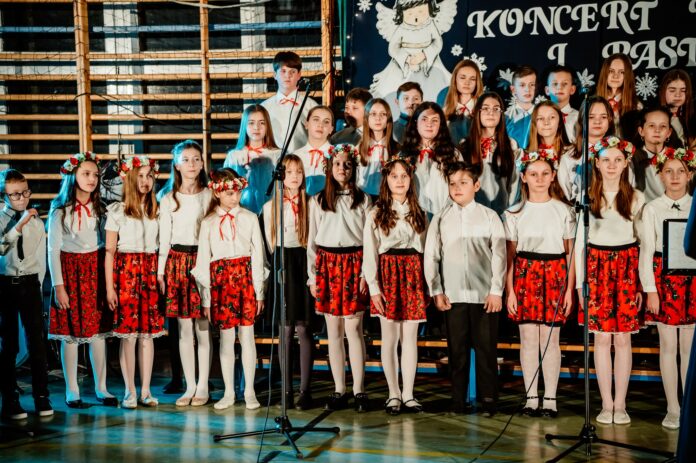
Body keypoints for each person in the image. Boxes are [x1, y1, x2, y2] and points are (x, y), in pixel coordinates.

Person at [424, 161, 506, 416]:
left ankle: (489, 400)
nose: (457, 188)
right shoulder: (441, 218)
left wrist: (496, 290)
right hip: (453, 295)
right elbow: (431, 256)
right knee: (457, 351)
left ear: (476, 185)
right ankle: (458, 400)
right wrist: (436, 289)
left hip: (484, 296)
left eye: (463, 182)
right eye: (452, 183)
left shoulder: (489, 216)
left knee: (486, 350)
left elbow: (499, 255)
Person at [575, 136, 644, 425]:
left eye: (617, 160)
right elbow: (580, 244)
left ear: (626, 163)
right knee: (601, 338)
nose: (612, 165)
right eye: (606, 160)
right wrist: (579, 285)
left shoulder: (637, 198)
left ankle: (621, 403)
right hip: (597, 269)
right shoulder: (588, 197)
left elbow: (643, 243)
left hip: (626, 268)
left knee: (623, 338)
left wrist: (641, 284)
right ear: (597, 164)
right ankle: (606, 403)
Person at [504, 149, 575, 417]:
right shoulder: (513, 212)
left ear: (553, 176)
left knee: (550, 339)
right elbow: (510, 256)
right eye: (533, 174)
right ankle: (531, 397)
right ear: (523, 177)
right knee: (528, 339)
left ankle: (551, 398)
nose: (540, 178)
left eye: (545, 173)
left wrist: (569, 290)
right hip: (525, 273)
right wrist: (510, 291)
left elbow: (570, 254)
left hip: (555, 274)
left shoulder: (563, 210)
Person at [193, 168, 266, 410]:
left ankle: (249, 391)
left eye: (237, 192)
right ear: (217, 193)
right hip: (221, 284)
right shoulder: (208, 222)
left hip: (245, 280)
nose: (235, 198)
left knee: (247, 337)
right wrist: (206, 299)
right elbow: (203, 261)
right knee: (226, 338)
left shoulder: (250, 218)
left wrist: (259, 291)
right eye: (229, 193)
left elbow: (258, 257)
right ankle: (228, 392)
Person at [48, 152, 116, 408]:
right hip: (71, 273)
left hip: (94, 271)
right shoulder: (60, 211)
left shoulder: (101, 209)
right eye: (86, 174)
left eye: (95, 175)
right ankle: (72, 390)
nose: (92, 179)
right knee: (71, 334)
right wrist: (59, 286)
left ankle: (101, 387)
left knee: (98, 333)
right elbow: (53, 251)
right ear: (73, 176)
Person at [363, 158, 430, 415]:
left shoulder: (420, 212)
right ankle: (394, 393)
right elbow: (370, 252)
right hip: (388, 273)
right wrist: (374, 288)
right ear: (386, 181)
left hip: (412, 273)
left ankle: (409, 394)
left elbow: (427, 252)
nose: (399, 180)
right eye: (394, 176)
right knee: (389, 338)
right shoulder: (376, 213)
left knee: (410, 337)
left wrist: (428, 284)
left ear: (411, 179)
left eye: (404, 175)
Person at [307, 143, 371, 412]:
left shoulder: (364, 200)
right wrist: (312, 277)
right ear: (329, 168)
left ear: (354, 168)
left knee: (354, 330)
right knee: (333, 331)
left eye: (347, 164)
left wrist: (366, 273)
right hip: (328, 264)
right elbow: (312, 241)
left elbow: (369, 240)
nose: (342, 168)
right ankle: (339, 389)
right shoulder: (318, 200)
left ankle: (359, 390)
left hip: (354, 263)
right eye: (337, 164)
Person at [639, 147, 696, 429]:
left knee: (689, 348)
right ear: (660, 175)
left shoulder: (695, 205)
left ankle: (688, 406)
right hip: (664, 280)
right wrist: (650, 289)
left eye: (680, 171)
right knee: (668, 345)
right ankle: (673, 407)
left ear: (689, 175)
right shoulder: (652, 208)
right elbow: (647, 251)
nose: (675, 177)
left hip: (692, 280)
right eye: (668, 171)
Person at [105, 156, 165, 409]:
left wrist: (160, 274)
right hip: (126, 273)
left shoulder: (157, 210)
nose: (145, 181)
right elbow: (109, 252)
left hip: (149, 271)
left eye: (149, 176)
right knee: (128, 336)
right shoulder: (117, 211)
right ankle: (129, 390)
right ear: (129, 178)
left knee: (147, 335)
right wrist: (110, 287)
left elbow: (162, 245)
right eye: (140, 176)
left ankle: (146, 390)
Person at [158, 140, 212, 407]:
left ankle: (203, 385)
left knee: (203, 326)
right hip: (177, 263)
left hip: (203, 260)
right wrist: (160, 272)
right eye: (186, 160)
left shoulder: (210, 195)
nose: (192, 164)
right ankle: (189, 384)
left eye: (196, 159)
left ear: (202, 163)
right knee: (184, 328)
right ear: (177, 166)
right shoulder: (168, 199)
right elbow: (164, 238)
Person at [262, 154, 315, 410]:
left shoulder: (311, 204)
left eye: (299, 172)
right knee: (285, 329)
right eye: (289, 172)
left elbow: (313, 240)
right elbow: (270, 243)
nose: (294, 176)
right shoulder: (270, 207)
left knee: (303, 329)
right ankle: (286, 389)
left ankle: (305, 390)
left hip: (303, 262)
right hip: (282, 262)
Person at [0, 169, 52, 419]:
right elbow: (1, 248)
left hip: (30, 284)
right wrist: (19, 225)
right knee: (9, 344)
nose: (21, 198)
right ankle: (10, 400)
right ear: (4, 196)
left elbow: (40, 260)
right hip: (5, 284)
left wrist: (38, 288)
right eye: (14, 195)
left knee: (37, 342)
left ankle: (41, 396)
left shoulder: (38, 223)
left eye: (25, 192)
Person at [459, 92, 520, 215]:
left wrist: (508, 212)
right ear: (478, 112)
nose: (491, 113)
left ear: (501, 114)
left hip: (501, 212)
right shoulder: (465, 144)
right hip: (472, 213)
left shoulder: (510, 144)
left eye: (496, 109)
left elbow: (514, 182)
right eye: (486, 108)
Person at [400, 102, 458, 214]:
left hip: (446, 215)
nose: (429, 124)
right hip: (413, 216)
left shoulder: (453, 154)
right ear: (416, 122)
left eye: (434, 120)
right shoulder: (404, 155)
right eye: (424, 119)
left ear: (440, 125)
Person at [223, 104, 281, 215]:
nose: (256, 127)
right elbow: (225, 190)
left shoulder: (277, 155)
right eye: (251, 123)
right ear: (244, 125)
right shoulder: (234, 156)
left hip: (272, 213)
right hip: (240, 214)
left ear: (267, 126)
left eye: (262, 123)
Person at [558, 96, 615, 205]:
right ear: (582, 120)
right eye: (591, 117)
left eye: (603, 117)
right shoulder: (569, 157)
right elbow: (565, 196)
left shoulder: (620, 153)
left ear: (610, 120)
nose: (597, 121)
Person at [261, 51, 318, 152]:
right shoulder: (264, 107)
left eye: (292, 71)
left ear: (299, 75)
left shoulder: (311, 106)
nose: (288, 76)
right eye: (283, 71)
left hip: (303, 159)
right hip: (274, 159)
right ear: (275, 74)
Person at [357, 98, 399, 197]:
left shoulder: (397, 149)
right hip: (363, 197)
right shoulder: (358, 148)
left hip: (389, 197)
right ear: (366, 118)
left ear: (388, 118)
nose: (378, 118)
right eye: (373, 114)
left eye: (383, 114)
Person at [633, 107, 675, 202]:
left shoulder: (678, 158)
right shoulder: (632, 158)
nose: (657, 130)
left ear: (669, 133)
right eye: (651, 126)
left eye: (663, 126)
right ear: (641, 131)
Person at [596, 53, 642, 139]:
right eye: (611, 71)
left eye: (622, 72)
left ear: (627, 76)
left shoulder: (636, 106)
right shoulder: (592, 104)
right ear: (605, 73)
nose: (615, 76)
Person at [441, 59, 484, 144]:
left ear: (477, 83)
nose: (467, 82)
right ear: (455, 80)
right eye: (462, 78)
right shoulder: (444, 112)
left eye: (472, 79)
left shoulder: (483, 109)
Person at [296, 105, 334, 196]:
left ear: (331, 129)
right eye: (316, 119)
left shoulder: (337, 155)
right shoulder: (296, 156)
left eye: (326, 122)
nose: (320, 125)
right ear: (306, 124)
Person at [658, 69, 693, 148]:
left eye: (683, 90)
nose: (678, 95)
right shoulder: (652, 116)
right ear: (663, 91)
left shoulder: (691, 118)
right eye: (672, 90)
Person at [505, 65, 537, 150]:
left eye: (532, 85)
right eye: (522, 85)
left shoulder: (542, 115)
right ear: (513, 90)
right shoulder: (505, 118)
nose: (527, 89)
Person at [545, 65, 578, 143]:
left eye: (565, 84)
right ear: (547, 90)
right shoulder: (539, 117)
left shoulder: (579, 117)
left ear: (572, 89)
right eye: (555, 84)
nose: (559, 87)